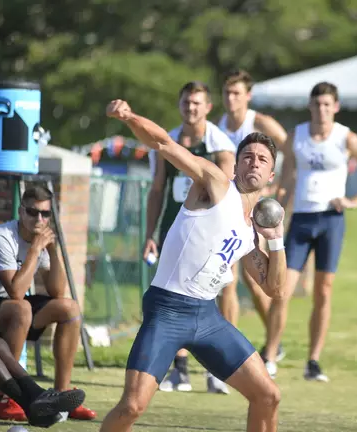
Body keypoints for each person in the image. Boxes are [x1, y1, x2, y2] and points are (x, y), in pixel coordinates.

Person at [100, 99, 286, 432]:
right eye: (247, 157)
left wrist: (276, 240)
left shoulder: (250, 233)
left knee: (268, 395)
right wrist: (129, 116)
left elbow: (274, 288)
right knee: (132, 406)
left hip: (207, 318)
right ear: (235, 166)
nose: (253, 164)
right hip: (167, 310)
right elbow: (163, 144)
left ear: (270, 175)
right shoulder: (215, 184)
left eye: (262, 160)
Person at [263, 81, 357, 381]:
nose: (322, 109)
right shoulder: (297, 136)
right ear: (310, 106)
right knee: (282, 291)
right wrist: (276, 213)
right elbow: (286, 179)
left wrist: (353, 201)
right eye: (317, 104)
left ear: (336, 107)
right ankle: (269, 355)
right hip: (302, 220)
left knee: (323, 291)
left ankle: (313, 361)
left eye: (327, 104)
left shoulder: (347, 138)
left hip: (331, 220)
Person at [143, 81, 237, 394]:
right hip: (175, 230)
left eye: (197, 103)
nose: (191, 108)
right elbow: (157, 189)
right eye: (186, 102)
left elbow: (227, 192)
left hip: (212, 234)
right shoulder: (168, 142)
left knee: (222, 292)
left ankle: (220, 369)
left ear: (208, 107)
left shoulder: (220, 146)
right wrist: (150, 234)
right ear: (179, 103)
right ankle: (179, 369)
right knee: (174, 294)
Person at [0, 185, 96, 420]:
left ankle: (61, 395)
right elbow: (16, 291)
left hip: (11, 304)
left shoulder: (42, 240)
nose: (39, 219)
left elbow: (57, 290)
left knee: (69, 308)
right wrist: (36, 250)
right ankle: (6, 399)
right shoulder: (2, 237)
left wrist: (51, 248)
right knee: (22, 307)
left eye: (45, 214)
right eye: (32, 212)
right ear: (21, 211)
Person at [217, 69, 292, 364]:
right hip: (233, 205)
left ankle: (272, 339)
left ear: (248, 96)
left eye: (236, 93)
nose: (231, 99)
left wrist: (279, 187)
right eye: (226, 93)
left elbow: (291, 152)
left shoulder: (260, 122)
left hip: (260, 206)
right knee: (231, 280)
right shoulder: (219, 126)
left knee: (255, 279)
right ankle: (231, 351)